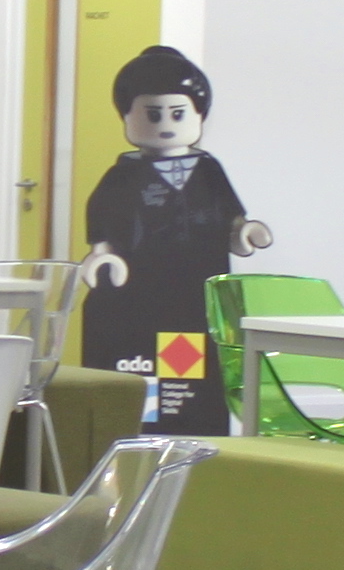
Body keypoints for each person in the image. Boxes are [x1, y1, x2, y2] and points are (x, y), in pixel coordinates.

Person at [76, 44, 271, 434]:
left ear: (198, 115)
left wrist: (243, 231)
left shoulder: (208, 170)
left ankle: (191, 430)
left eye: (178, 113)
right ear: (127, 117)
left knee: (187, 370)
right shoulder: (123, 175)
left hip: (193, 294)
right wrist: (101, 255)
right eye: (152, 114)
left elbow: (230, 217)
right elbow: (104, 224)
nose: (165, 123)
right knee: (143, 368)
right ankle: (137, 431)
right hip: (141, 295)